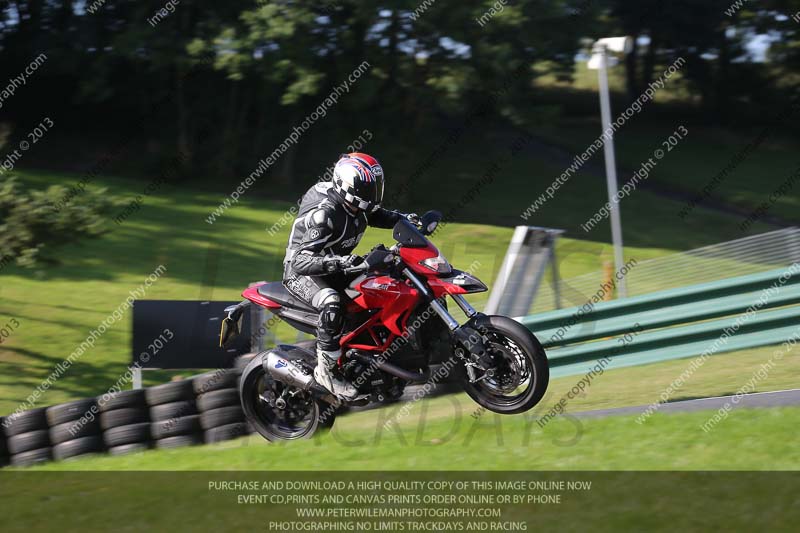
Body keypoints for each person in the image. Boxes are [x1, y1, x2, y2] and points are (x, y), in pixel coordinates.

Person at [282, 153, 418, 399]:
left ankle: (374, 353)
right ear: (348, 186)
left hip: (336, 267)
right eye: (368, 189)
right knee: (331, 302)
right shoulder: (325, 215)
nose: (374, 194)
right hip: (302, 272)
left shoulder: (357, 206)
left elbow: (377, 215)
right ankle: (327, 371)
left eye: (376, 187)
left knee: (384, 281)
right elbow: (301, 260)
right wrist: (339, 261)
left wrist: (405, 219)